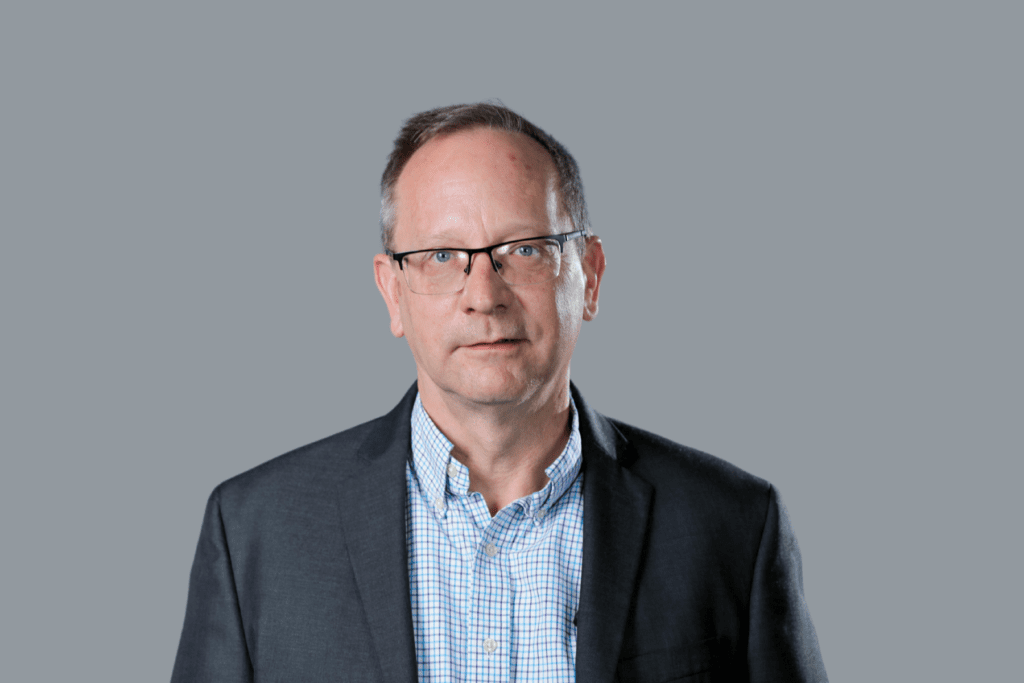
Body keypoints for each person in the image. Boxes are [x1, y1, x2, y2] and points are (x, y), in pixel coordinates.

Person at [171, 102, 828, 682]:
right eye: (440, 256)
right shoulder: (256, 532)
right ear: (391, 291)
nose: (482, 295)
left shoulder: (731, 525)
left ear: (589, 276)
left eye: (524, 249)